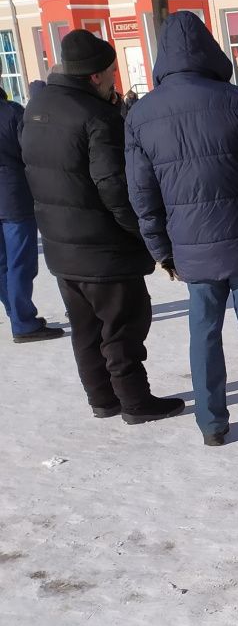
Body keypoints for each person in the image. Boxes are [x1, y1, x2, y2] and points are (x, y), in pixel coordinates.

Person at [125, 12, 238, 447]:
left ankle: (211, 423)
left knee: (203, 333)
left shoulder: (141, 114)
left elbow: (141, 192)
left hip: (191, 246)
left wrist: (161, 251)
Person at [21, 31, 182, 423]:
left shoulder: (38, 104)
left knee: (86, 329)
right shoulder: (96, 116)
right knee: (123, 327)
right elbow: (113, 186)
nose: (116, 77)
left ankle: (102, 398)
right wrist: (141, 233)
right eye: (112, 70)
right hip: (103, 249)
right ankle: (134, 401)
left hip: (61, 246)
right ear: (95, 76)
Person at [0, 87, 63, 343]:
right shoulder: (12, 112)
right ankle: (23, 321)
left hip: (12, 196)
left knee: (3, 264)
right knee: (20, 264)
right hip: (14, 198)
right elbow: (31, 151)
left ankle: (16, 313)